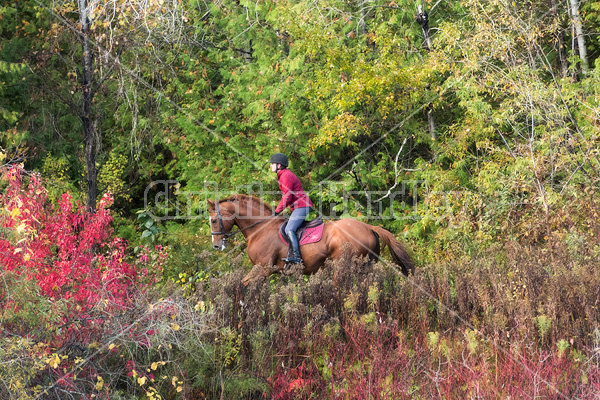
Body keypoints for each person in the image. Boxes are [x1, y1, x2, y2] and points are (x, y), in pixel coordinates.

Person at [270, 153, 313, 264]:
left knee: (289, 229)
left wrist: (276, 211)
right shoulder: (283, 175)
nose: (271, 166)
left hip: (302, 206)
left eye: (272, 164)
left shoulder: (286, 176)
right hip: (298, 207)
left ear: (279, 165)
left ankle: (297, 257)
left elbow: (287, 196)